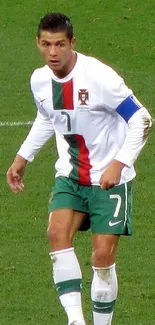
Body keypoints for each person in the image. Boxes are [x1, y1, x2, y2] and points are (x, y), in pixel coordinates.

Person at [6, 12, 152, 325]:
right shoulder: (39, 80)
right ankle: (76, 321)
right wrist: (23, 157)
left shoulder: (100, 78)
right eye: (46, 44)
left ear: (73, 43)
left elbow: (142, 119)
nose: (53, 52)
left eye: (60, 44)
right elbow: (48, 116)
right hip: (70, 176)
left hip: (110, 181)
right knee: (56, 233)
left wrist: (119, 163)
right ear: (38, 44)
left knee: (102, 258)